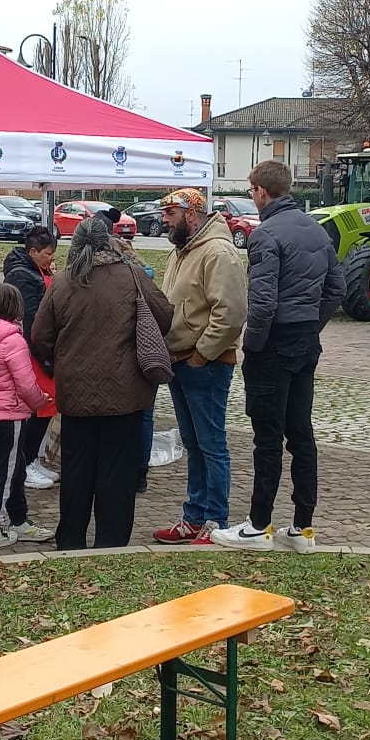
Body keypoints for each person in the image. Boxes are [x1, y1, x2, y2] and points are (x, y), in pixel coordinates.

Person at [212, 160, 339, 553]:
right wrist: (310, 327)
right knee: (301, 434)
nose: (252, 197)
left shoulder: (265, 235)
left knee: (267, 438)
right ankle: (303, 528)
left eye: (252, 191)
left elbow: (263, 302)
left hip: (273, 344)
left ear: (260, 192)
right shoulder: (317, 231)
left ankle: (258, 525)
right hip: (305, 341)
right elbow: (336, 289)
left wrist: (253, 344)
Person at [32, 214, 174, 549]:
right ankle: (111, 543)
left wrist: (62, 360)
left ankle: (71, 540)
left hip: (76, 394)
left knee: (76, 471)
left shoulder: (65, 282)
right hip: (125, 395)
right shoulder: (133, 276)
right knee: (118, 474)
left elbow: (39, 336)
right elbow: (164, 316)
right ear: (109, 240)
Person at [149, 188, 245, 546]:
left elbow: (231, 313)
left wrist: (203, 353)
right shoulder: (182, 251)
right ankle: (194, 516)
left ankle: (214, 520)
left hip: (205, 363)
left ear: (192, 214)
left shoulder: (218, 253)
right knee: (193, 442)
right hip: (181, 360)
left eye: (170, 212)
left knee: (211, 444)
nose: (163, 218)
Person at [0, 283, 52, 548]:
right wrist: (41, 401)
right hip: (10, 413)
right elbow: (25, 383)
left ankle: (19, 519)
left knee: (14, 468)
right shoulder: (13, 339)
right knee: (4, 472)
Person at [3, 226, 61, 490]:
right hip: (34, 352)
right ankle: (24, 465)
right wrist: (45, 356)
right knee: (39, 407)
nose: (51, 258)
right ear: (33, 251)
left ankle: (32, 459)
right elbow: (31, 320)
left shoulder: (37, 271)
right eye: (48, 254)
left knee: (46, 407)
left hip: (42, 349)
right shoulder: (23, 276)